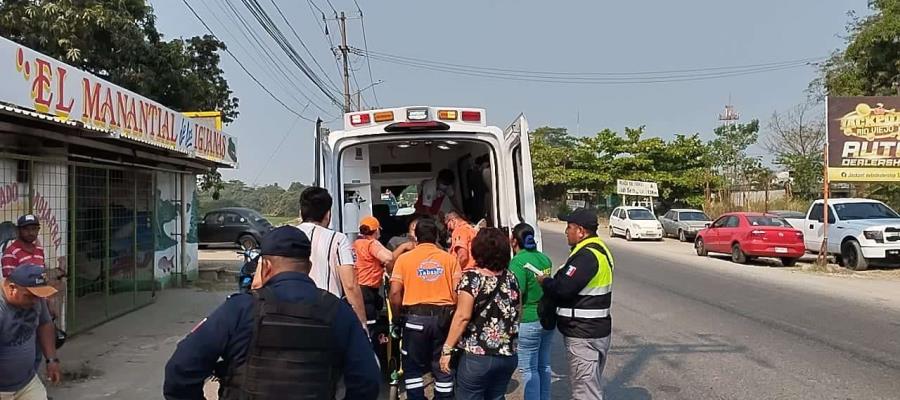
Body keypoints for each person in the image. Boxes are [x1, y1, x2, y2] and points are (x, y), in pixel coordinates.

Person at [164, 226, 380, 400]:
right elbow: (367, 380)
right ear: (309, 266)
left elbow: (180, 370)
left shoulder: (240, 309)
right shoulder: (339, 312)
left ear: (265, 266)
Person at [536, 208, 614, 400]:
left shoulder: (587, 256)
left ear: (581, 231)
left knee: (585, 394)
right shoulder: (599, 250)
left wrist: (545, 281)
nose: (566, 232)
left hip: (583, 334)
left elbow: (563, 289)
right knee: (589, 387)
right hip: (595, 330)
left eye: (569, 227)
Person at [440, 228, 520, 400]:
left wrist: (447, 349)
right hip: (507, 355)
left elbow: (462, 316)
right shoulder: (511, 278)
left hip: (478, 356)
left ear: (477, 250)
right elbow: (516, 311)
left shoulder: (472, 278)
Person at [389, 217, 460, 400]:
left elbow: (395, 294)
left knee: (412, 366)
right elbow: (458, 292)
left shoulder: (404, 260)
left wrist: (396, 319)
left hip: (414, 320)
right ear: (436, 236)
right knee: (442, 363)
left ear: (416, 237)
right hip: (443, 320)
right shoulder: (450, 259)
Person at [292, 187, 368, 330]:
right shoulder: (338, 239)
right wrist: (362, 324)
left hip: (290, 315)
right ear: (328, 214)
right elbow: (350, 285)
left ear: (301, 211)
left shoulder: (284, 236)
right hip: (327, 315)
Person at [0, 264, 62, 399]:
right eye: (30, 296)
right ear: (12, 289)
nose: (35, 301)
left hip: (27, 382)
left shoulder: (35, 300)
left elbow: (45, 324)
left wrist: (51, 359)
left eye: (38, 296)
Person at [508, 223, 555, 400]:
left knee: (528, 369)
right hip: (547, 318)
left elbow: (516, 295)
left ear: (513, 241)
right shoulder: (545, 259)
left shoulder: (518, 263)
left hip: (528, 320)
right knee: (544, 365)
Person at [354, 216, 409, 329]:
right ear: (377, 230)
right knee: (370, 327)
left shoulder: (356, 243)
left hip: (358, 288)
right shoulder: (371, 244)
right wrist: (404, 247)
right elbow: (388, 257)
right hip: (367, 290)